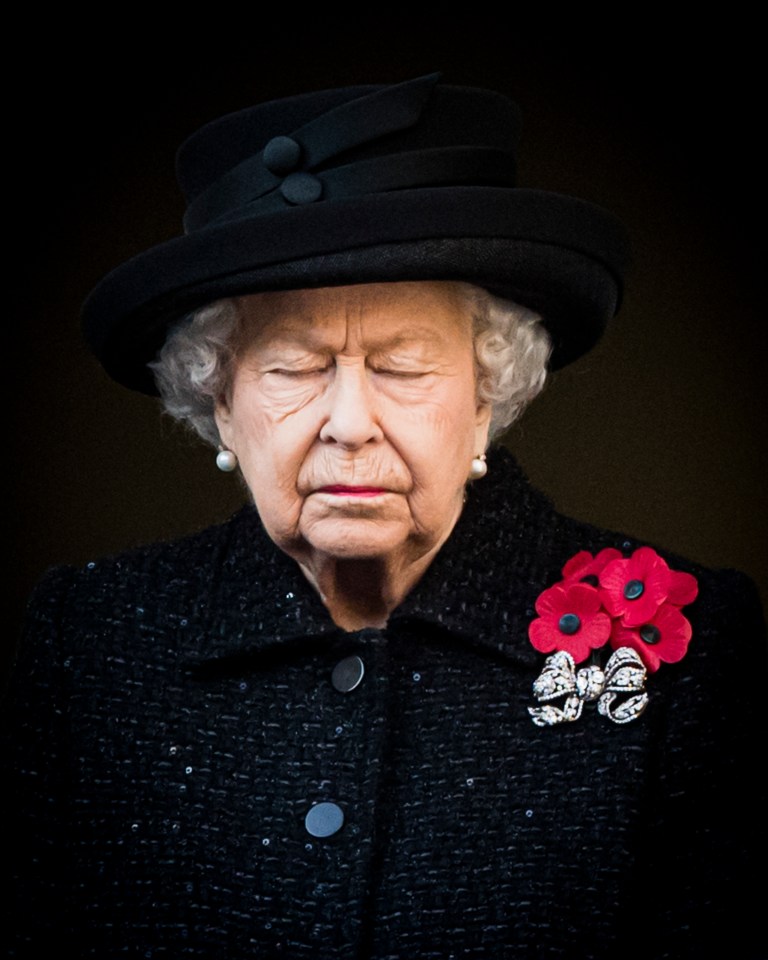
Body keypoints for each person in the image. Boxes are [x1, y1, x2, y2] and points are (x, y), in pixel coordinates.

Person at [4, 73, 765, 958]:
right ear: (220, 403)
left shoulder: (689, 649)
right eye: (293, 367)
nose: (351, 422)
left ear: (487, 396)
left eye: (404, 366)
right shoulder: (89, 638)